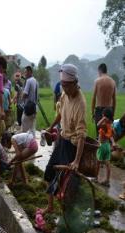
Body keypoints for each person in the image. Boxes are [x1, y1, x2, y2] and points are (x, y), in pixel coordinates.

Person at [43, 64, 87, 214]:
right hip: (62, 140)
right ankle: (49, 207)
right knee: (49, 172)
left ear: (75, 83)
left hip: (72, 146)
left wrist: (76, 160)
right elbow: (61, 113)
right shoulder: (64, 94)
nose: (64, 88)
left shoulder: (80, 103)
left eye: (67, 85)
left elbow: (82, 135)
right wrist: (50, 127)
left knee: (65, 183)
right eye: (62, 85)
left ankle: (67, 212)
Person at [91, 63, 116, 137]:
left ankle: (100, 148)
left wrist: (93, 113)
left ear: (99, 71)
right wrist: (112, 113)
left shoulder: (97, 81)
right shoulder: (112, 82)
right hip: (109, 110)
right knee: (109, 134)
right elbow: (114, 99)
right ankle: (109, 147)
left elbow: (93, 98)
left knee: (99, 135)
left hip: (99, 111)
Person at [94, 108, 116, 187]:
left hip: (102, 146)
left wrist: (103, 119)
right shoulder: (110, 125)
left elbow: (97, 125)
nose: (102, 116)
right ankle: (107, 181)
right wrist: (113, 143)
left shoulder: (104, 124)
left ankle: (96, 178)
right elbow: (111, 136)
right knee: (107, 164)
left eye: (103, 115)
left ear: (105, 116)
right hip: (107, 146)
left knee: (98, 163)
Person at [21, 66, 38, 136]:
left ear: (30, 72)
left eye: (25, 72)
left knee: (24, 128)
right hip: (34, 107)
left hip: (28, 108)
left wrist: (21, 98)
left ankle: (25, 144)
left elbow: (25, 94)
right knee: (32, 128)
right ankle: (32, 143)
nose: (24, 74)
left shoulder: (28, 81)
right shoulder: (35, 81)